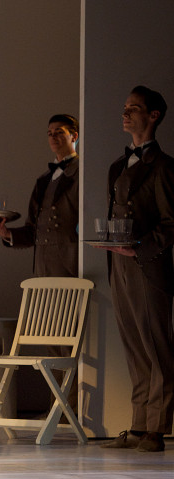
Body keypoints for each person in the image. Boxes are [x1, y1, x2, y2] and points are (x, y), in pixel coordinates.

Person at [97, 86, 174, 453]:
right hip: (120, 266)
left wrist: (140, 246)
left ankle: (157, 429)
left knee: (157, 347)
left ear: (154, 115)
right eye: (124, 108)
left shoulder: (163, 166)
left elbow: (171, 223)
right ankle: (139, 423)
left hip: (148, 267)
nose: (125, 114)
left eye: (134, 108)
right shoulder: (117, 166)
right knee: (134, 347)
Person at [0, 114, 80, 277]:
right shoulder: (43, 180)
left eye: (59, 132)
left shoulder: (81, 172)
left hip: (73, 266)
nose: (53, 137)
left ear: (74, 136)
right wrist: (5, 233)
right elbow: (32, 231)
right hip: (43, 268)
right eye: (50, 133)